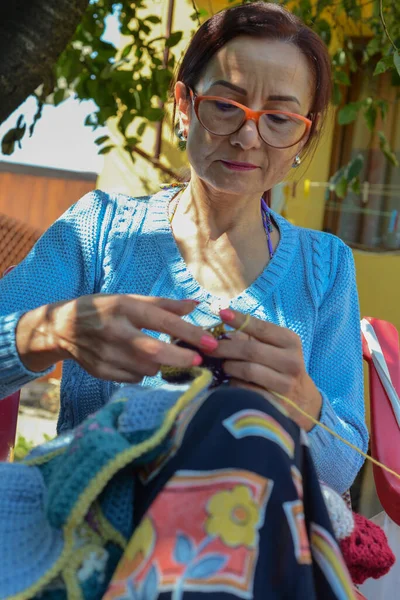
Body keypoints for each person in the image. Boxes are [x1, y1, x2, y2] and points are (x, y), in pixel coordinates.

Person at [0, 3, 368, 597]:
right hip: (96, 532)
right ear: (183, 104)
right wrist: (56, 330)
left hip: (258, 545)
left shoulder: (325, 269)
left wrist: (302, 402)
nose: (249, 134)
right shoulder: (100, 231)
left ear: (305, 134)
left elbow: (342, 466)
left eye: (279, 117)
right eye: (226, 104)